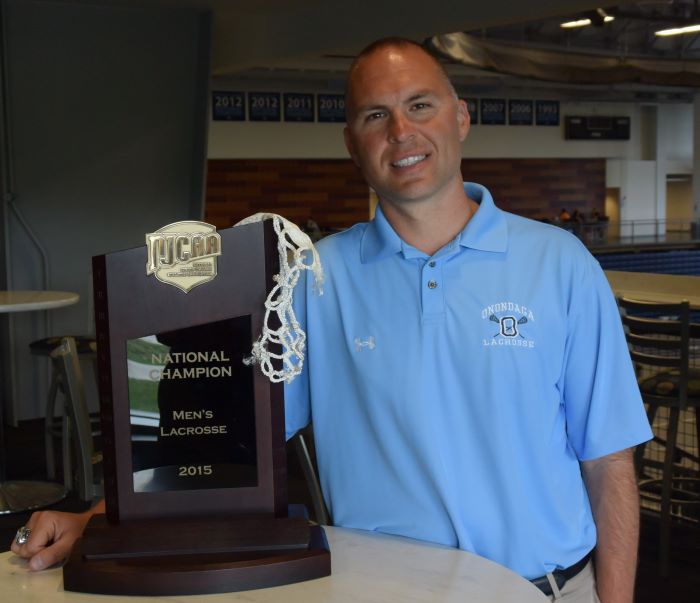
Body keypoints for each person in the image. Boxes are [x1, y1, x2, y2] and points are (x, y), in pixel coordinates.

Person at [12, 38, 651, 603]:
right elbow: (225, 446)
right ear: (352, 143)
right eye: (376, 114)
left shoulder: (559, 264)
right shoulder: (313, 281)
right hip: (391, 590)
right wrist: (98, 517)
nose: (401, 130)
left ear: (460, 118)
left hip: (549, 590)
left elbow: (609, 465)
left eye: (420, 105)